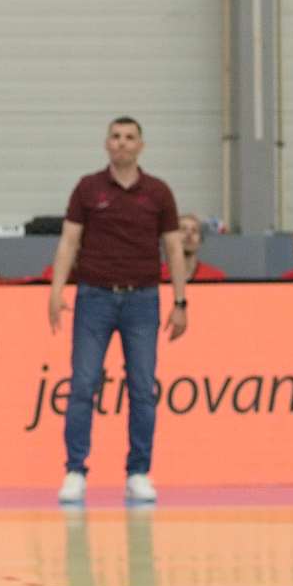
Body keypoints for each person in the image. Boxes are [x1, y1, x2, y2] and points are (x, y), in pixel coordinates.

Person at [47, 117, 191, 507]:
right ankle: (75, 471)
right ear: (106, 143)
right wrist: (56, 291)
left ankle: (138, 472)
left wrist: (180, 302)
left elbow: (173, 248)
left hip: (143, 299)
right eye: (116, 136)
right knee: (83, 385)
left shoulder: (158, 192)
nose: (122, 143)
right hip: (94, 298)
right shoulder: (88, 188)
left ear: (141, 145)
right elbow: (69, 242)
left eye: (130, 137)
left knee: (142, 388)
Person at [160, 214, 228, 283]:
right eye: (182, 229)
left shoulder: (216, 277)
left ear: (200, 241)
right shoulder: (157, 274)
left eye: (194, 230)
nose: (189, 233)